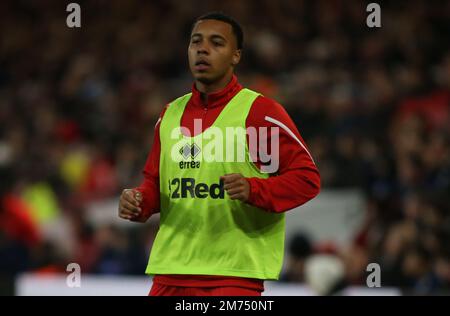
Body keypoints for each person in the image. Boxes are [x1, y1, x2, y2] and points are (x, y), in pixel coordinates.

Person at [118, 12, 320, 296]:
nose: (203, 49)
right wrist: (139, 201)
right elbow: (156, 184)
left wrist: (254, 189)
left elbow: (306, 179)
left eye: (216, 43)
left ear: (235, 56)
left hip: (233, 276)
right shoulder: (170, 114)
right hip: (171, 272)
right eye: (196, 42)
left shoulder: (260, 113)